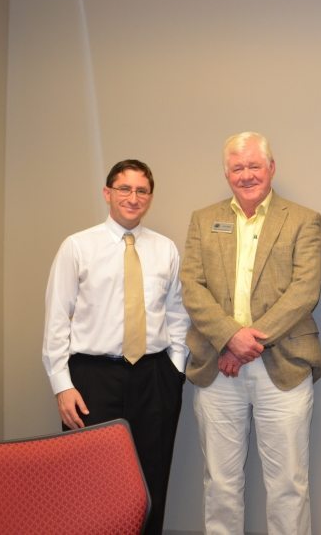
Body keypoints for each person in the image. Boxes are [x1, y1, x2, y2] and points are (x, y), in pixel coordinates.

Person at [181, 131, 321, 535]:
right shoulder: (203, 220)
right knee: (221, 485)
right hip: (217, 369)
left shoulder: (303, 219)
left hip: (283, 370)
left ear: (271, 168)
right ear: (227, 173)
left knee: (288, 487)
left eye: (254, 166)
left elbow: (304, 291)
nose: (246, 175)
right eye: (237, 167)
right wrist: (230, 337)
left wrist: (247, 343)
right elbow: (192, 288)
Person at [43, 159, 189, 535]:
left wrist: (175, 370)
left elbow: (177, 313)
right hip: (92, 378)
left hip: (154, 377)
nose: (133, 197)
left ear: (150, 198)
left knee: (151, 478)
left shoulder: (165, 249)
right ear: (107, 193)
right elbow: (58, 318)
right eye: (124, 189)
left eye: (141, 190)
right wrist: (62, 385)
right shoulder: (77, 246)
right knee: (89, 480)